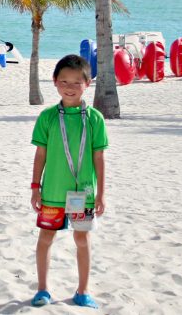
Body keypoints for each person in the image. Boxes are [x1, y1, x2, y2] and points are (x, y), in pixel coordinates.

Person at [29, 54, 108, 308]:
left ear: (88, 83)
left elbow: (99, 157)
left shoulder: (94, 118)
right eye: (64, 81)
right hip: (51, 192)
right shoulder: (48, 117)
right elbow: (40, 154)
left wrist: (101, 194)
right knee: (46, 238)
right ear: (54, 82)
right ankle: (43, 289)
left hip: (81, 194)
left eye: (76, 82)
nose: (70, 87)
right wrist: (35, 187)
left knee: (82, 239)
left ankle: (83, 291)